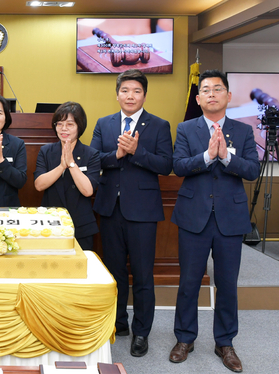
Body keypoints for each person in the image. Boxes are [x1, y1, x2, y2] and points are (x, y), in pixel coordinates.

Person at [169, 70, 259, 373]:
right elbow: (178, 166)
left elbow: (251, 171)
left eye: (217, 89)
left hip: (230, 220)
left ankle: (225, 342)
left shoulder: (244, 131)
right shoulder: (186, 129)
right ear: (198, 98)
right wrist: (208, 156)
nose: (211, 94)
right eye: (205, 90)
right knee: (189, 283)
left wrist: (227, 158)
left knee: (227, 285)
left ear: (228, 96)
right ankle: (185, 338)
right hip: (193, 217)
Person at [90, 69, 173, 357]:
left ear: (144, 95)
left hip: (143, 212)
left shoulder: (159, 125)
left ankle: (141, 332)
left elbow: (165, 165)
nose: (130, 96)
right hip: (110, 209)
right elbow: (95, 159)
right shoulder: (104, 123)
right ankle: (118, 323)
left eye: (136, 91)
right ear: (117, 94)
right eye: (125, 90)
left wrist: (137, 152)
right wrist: (118, 155)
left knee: (141, 274)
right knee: (114, 273)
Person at [34, 102, 100, 251]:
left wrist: (71, 164)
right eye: (60, 124)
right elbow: (39, 185)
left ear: (79, 126)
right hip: (49, 224)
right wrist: (61, 166)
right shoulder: (46, 151)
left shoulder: (91, 154)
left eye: (70, 124)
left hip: (81, 226)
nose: (64, 129)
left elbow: (88, 190)